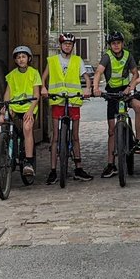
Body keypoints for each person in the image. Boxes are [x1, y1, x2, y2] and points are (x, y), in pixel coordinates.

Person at [41, 32, 93, 184]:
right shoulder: (52, 60)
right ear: (60, 45)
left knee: (75, 135)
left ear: (72, 46)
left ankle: (78, 167)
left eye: (70, 44)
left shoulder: (77, 60)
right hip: (57, 99)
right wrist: (44, 88)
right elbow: (43, 78)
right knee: (55, 137)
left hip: (73, 99)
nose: (67, 46)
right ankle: (53, 170)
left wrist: (88, 89)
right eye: (65, 44)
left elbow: (86, 78)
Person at [93, 31, 140, 178]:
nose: (116, 45)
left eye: (118, 43)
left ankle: (138, 141)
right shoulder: (107, 56)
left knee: (139, 106)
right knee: (111, 130)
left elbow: (135, 74)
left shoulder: (128, 55)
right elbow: (98, 72)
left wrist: (131, 87)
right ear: (110, 45)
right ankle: (111, 164)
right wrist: (96, 88)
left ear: (122, 43)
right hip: (112, 94)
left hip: (126, 91)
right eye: (113, 43)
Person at [0, 45, 42, 184]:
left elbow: (36, 94)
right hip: (14, 106)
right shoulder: (12, 75)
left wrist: (30, 110)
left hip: (28, 107)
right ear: (16, 60)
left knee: (27, 127)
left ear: (29, 58)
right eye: (18, 57)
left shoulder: (34, 73)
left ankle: (28, 163)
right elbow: (8, 93)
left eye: (23, 56)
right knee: (1, 121)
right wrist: (5, 107)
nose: (21, 59)